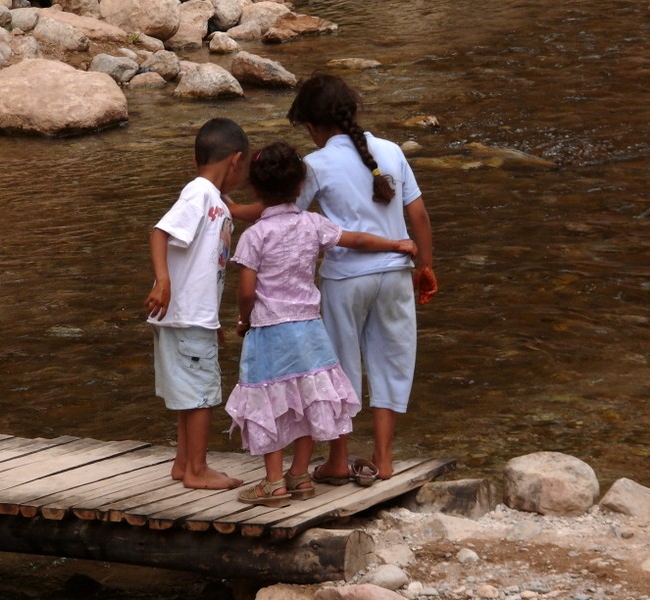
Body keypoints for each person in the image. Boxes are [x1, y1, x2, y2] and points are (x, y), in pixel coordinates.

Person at [226, 141, 418, 506]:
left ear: (255, 189)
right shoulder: (313, 224)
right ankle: (299, 476)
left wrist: (244, 319)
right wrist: (397, 244)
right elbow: (357, 239)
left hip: (270, 331)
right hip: (311, 331)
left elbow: (247, 290)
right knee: (306, 400)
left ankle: (272, 483)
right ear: (300, 188)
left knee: (271, 399)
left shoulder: (254, 236)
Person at [286, 73, 438, 483]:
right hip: (395, 274)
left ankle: (338, 459)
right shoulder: (389, 151)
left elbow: (288, 221)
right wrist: (425, 267)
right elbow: (419, 216)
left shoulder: (314, 164)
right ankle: (384, 459)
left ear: (314, 126)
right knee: (391, 362)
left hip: (345, 280)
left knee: (340, 366)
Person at [144, 117, 249, 490]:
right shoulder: (200, 194)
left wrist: (212, 320)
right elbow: (160, 231)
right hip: (186, 316)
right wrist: (163, 280)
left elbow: (202, 267)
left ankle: (183, 463)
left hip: (192, 317)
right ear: (235, 161)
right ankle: (198, 470)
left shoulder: (214, 199)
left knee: (190, 394)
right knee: (203, 395)